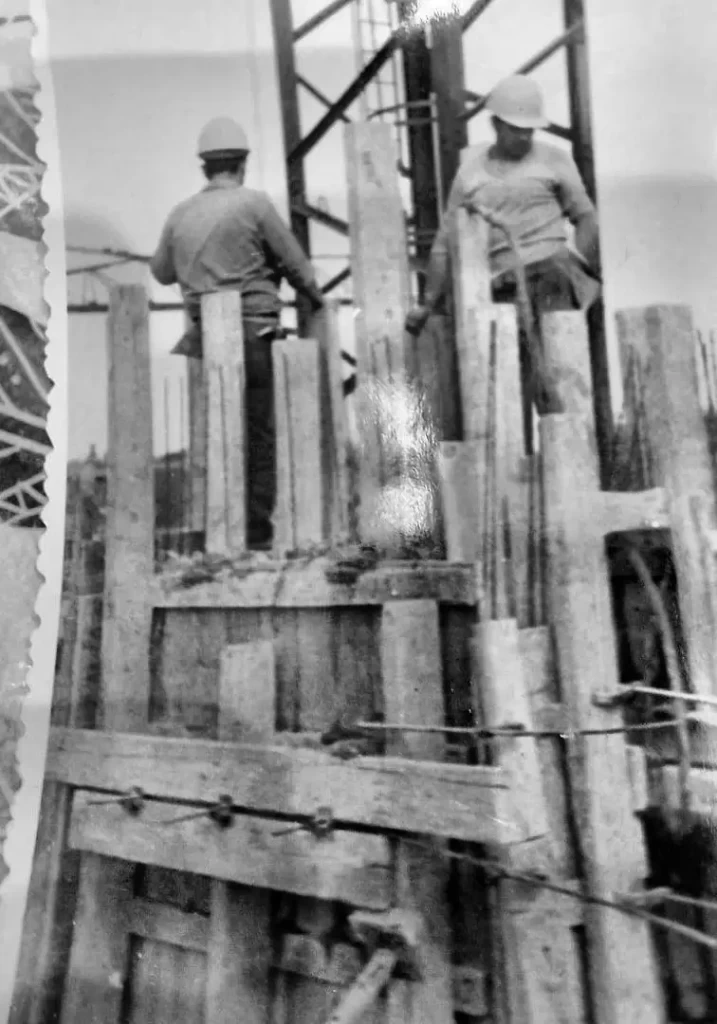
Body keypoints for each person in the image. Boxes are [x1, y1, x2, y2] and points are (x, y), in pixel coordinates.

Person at [150, 117, 325, 549]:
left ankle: (219, 531)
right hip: (252, 332)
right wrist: (316, 298)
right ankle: (258, 536)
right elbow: (297, 266)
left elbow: (161, 271)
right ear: (243, 164)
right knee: (259, 434)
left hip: (205, 337)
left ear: (204, 168)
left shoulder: (180, 213)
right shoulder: (255, 204)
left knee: (217, 432)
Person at [405, 74, 601, 449]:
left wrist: (581, 268)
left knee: (558, 380)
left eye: (530, 130)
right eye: (515, 130)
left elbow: (586, 218)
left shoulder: (555, 161)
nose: (524, 137)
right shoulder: (471, 172)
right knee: (504, 386)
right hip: (500, 289)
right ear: (495, 124)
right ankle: (519, 476)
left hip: (552, 277)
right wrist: (427, 304)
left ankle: (572, 468)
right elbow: (447, 243)